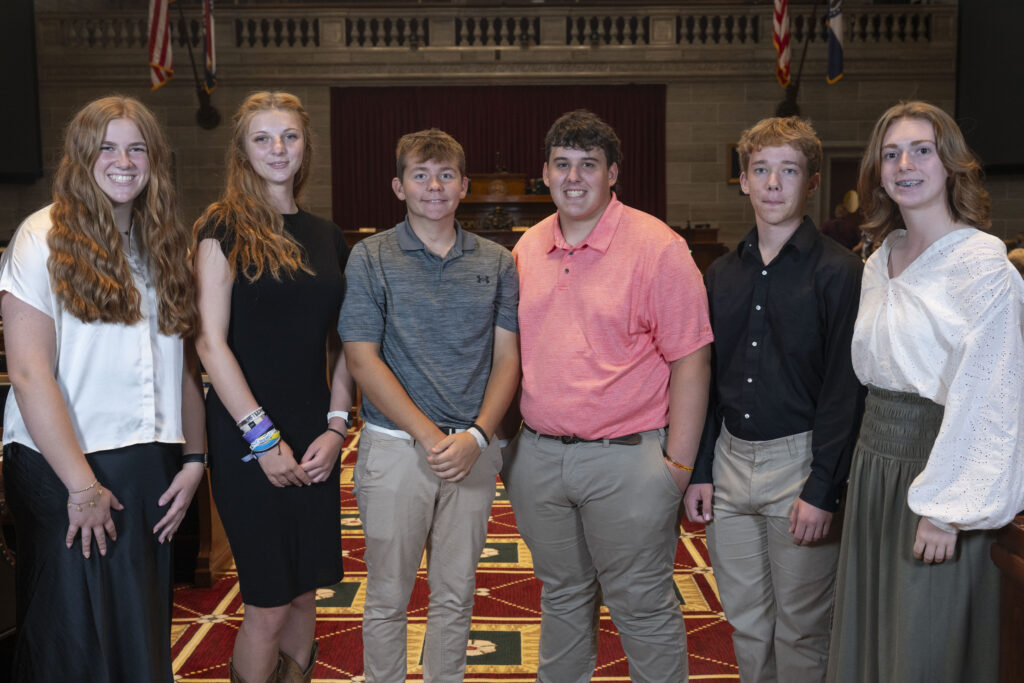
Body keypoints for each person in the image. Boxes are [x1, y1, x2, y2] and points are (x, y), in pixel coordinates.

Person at [503, 109, 713, 683]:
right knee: (563, 598)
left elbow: (692, 360)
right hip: (540, 458)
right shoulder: (527, 246)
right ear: (544, 173)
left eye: (589, 165)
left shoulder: (658, 248)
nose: (574, 178)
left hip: (629, 461)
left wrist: (676, 465)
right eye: (563, 164)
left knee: (641, 607)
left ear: (613, 173)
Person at [0, 95, 205, 681]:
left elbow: (182, 364)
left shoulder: (164, 241)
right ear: (82, 156)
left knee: (136, 628)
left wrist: (194, 459)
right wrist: (82, 487)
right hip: (65, 462)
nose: (123, 160)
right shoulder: (41, 236)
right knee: (74, 636)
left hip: (150, 462)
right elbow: (30, 373)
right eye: (108, 147)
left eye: (136, 147)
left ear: (154, 160)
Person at [826, 101, 1024, 683]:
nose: (904, 163)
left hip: (936, 469)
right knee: (874, 630)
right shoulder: (881, 257)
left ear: (951, 165)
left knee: (923, 640)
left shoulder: (982, 267)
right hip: (875, 465)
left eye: (921, 150)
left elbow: (994, 398)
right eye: (891, 153)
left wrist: (947, 509)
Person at [684, 117, 864, 683]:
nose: (773, 184)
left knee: (802, 628)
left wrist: (822, 488)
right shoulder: (721, 275)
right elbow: (707, 384)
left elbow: (845, 390)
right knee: (746, 623)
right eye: (761, 170)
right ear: (743, 180)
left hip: (802, 463)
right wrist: (701, 470)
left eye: (789, 171)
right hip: (731, 466)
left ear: (811, 182)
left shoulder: (839, 272)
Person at [340, 128, 520, 683]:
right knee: (389, 596)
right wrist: (428, 436)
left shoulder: (498, 260)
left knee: (455, 594)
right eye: (420, 175)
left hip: (471, 450)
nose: (434, 186)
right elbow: (362, 359)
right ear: (399, 186)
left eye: (445, 175)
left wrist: (478, 437)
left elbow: (508, 359)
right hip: (396, 449)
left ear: (466, 186)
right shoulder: (370, 256)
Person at [193, 92, 353, 683]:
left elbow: (345, 345)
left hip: (315, 430)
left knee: (306, 591)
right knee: (267, 601)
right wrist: (263, 439)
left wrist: (338, 427)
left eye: (289, 136)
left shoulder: (327, 234)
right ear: (243, 149)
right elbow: (211, 343)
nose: (278, 149)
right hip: (246, 432)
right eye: (263, 138)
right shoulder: (221, 226)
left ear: (305, 145)